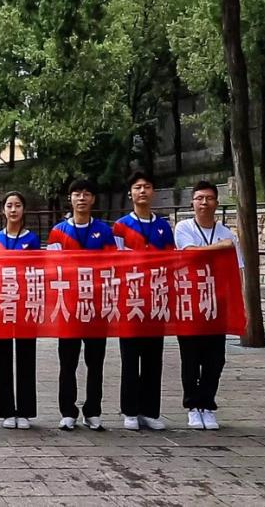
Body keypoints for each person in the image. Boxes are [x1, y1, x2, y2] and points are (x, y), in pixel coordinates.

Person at [46, 178, 117, 431]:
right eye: (77, 194)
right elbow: (52, 269)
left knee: (95, 362)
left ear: (93, 199)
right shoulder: (58, 231)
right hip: (69, 306)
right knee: (68, 362)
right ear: (70, 198)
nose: (82, 198)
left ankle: (93, 411)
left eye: (87, 194)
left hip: (96, 307)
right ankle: (68, 411)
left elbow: (113, 266)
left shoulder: (104, 231)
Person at [174, 180, 243, 430]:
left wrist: (240, 302)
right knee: (191, 358)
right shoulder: (183, 227)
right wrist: (220, 248)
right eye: (199, 198)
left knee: (215, 359)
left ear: (216, 202)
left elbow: (238, 268)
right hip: (189, 303)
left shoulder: (227, 233)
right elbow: (190, 254)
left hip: (217, 304)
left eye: (209, 198)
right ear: (192, 202)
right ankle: (193, 407)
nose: (204, 202)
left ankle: (207, 404)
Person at [111, 170, 175, 431]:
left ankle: (150, 410)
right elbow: (115, 263)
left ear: (153, 192)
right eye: (137, 187)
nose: (142, 191)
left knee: (153, 357)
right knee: (130, 358)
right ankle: (129, 410)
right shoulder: (121, 226)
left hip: (156, 299)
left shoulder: (163, 226)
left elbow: (171, 260)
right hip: (130, 300)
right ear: (131, 193)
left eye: (147, 186)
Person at [0, 191, 41, 429]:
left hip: (26, 304)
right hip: (2, 305)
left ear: (23, 209)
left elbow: (38, 271)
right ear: (3, 210)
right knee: (3, 357)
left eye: (18, 205)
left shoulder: (33, 239)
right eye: (9, 205)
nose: (13, 210)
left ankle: (25, 411)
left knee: (26, 356)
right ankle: (7, 410)